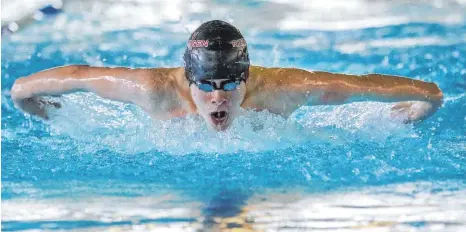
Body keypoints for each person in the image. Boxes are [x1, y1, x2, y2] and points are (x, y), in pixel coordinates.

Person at [11, 20, 443, 131]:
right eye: (208, 86)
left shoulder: (284, 89)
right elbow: (78, 75)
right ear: (188, 79)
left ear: (247, 77)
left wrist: (421, 106)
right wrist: (30, 104)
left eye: (231, 84)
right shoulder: (152, 91)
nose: (219, 97)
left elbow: (370, 88)